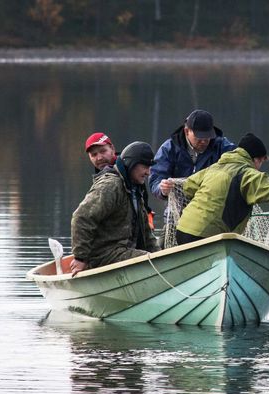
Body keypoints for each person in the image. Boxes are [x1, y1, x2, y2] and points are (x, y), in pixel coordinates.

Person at [174, 133, 269, 245]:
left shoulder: (214, 168)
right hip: (208, 236)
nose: (259, 167)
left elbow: (188, 186)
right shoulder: (247, 174)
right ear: (256, 159)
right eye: (261, 162)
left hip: (182, 231)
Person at [70, 141, 161, 275]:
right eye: (145, 166)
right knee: (147, 261)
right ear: (132, 164)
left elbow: (146, 233)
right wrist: (80, 258)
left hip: (121, 252)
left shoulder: (134, 189)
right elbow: (81, 218)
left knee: (156, 258)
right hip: (102, 256)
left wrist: (160, 256)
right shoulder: (111, 185)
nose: (148, 172)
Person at [149, 109, 236, 200]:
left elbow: (239, 160)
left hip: (213, 204)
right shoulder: (169, 148)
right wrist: (162, 189)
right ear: (187, 131)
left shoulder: (222, 146)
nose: (203, 141)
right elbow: (156, 179)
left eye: (207, 137)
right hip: (179, 205)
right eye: (199, 137)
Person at [84, 131, 155, 230]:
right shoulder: (101, 174)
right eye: (94, 155)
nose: (99, 158)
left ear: (112, 148)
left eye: (103, 151)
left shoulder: (129, 169)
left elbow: (143, 200)